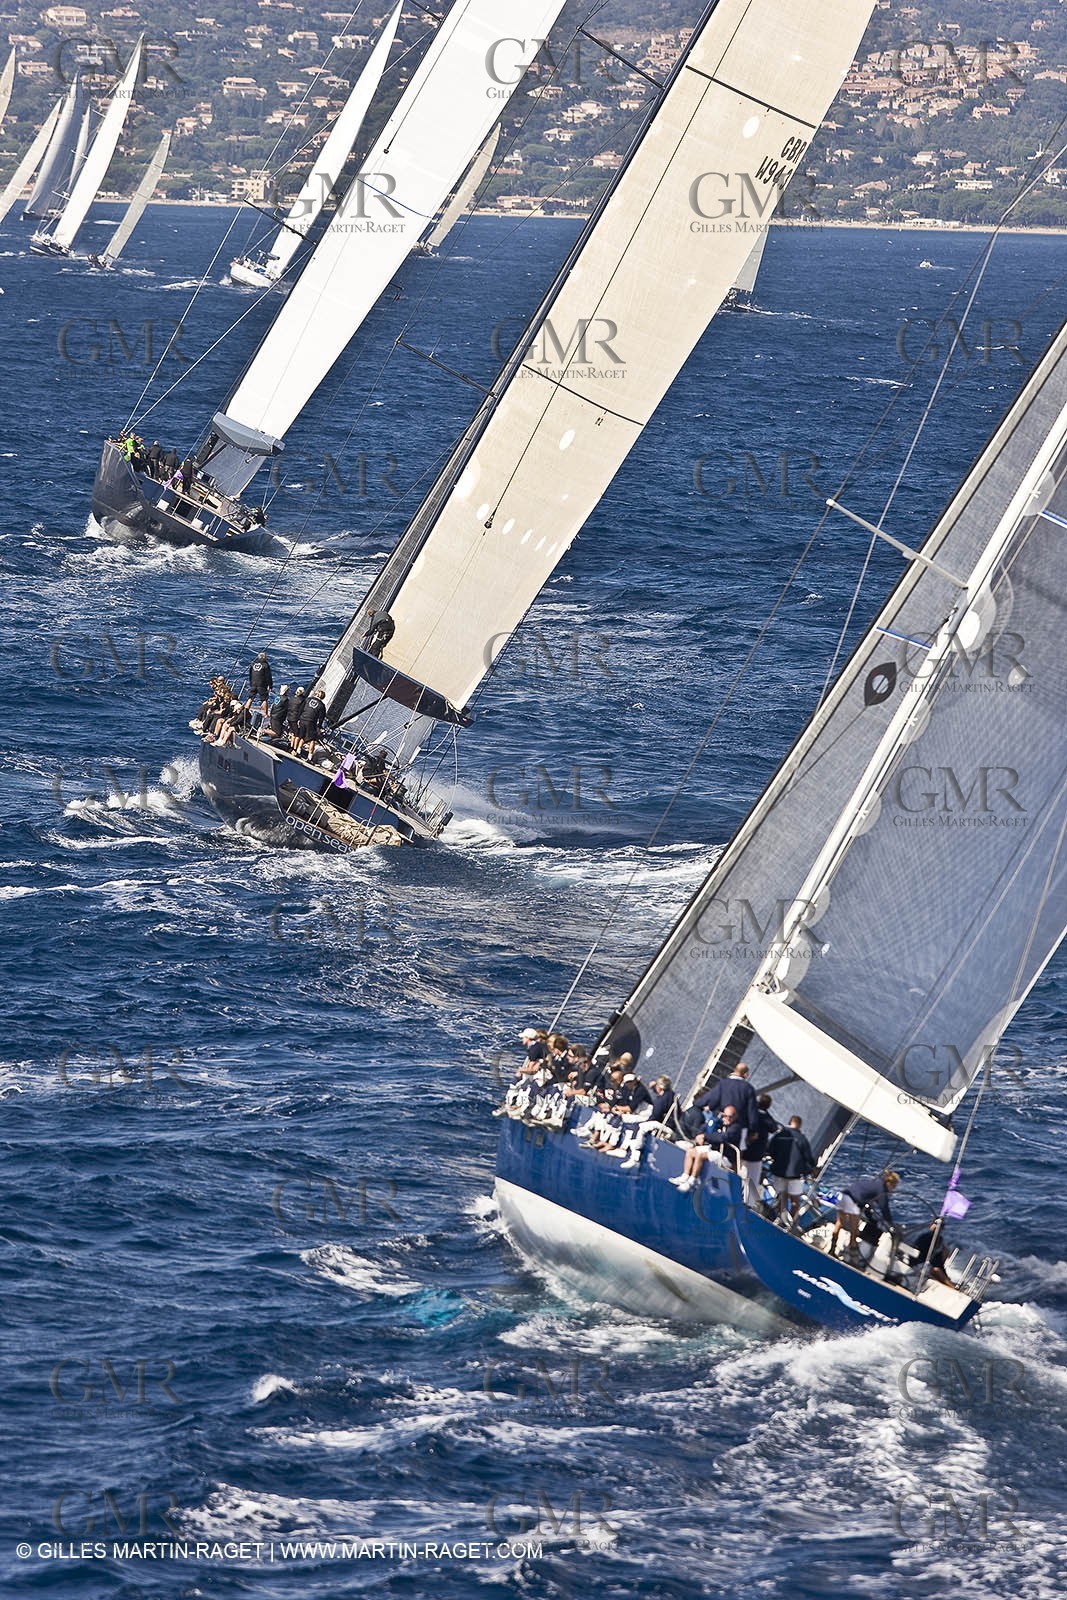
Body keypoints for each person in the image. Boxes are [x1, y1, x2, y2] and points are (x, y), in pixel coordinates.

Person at [670, 1105, 743, 1193]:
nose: (726, 1118)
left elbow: (723, 1137)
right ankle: (685, 1176)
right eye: (725, 1115)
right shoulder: (721, 1122)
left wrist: (706, 1137)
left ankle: (692, 1180)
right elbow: (707, 1127)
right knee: (691, 1152)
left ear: (734, 1117)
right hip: (714, 1149)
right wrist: (700, 1134)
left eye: (729, 1117)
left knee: (701, 1156)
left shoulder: (736, 1128)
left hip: (725, 1156)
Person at [831, 1169, 900, 1260]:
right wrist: (891, 1224)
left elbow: (863, 1199)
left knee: (839, 1223)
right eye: (893, 1187)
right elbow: (884, 1209)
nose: (892, 1190)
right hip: (852, 1201)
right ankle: (853, 1259)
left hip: (844, 1196)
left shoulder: (874, 1183)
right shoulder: (881, 1190)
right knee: (854, 1231)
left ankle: (832, 1249)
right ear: (889, 1183)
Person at [768, 1115, 817, 1223]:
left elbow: (770, 1150)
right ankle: (792, 1223)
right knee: (795, 1201)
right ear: (799, 1125)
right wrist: (813, 1168)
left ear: (789, 1122)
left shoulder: (778, 1136)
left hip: (779, 1172)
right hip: (795, 1175)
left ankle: (777, 1218)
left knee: (781, 1197)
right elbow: (808, 1157)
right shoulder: (801, 1138)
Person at [692, 1062, 759, 1142]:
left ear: (735, 1070)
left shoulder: (723, 1083)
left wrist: (697, 1103)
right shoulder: (748, 1089)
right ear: (745, 1074)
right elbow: (752, 1111)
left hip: (720, 1120)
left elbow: (712, 1099)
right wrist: (753, 1129)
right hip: (737, 1125)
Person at [743, 1093, 779, 1210]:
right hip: (756, 1154)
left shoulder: (750, 1113)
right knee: (753, 1178)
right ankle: (749, 1203)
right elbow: (774, 1128)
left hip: (743, 1149)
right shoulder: (766, 1118)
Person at [297, 685, 327, 760]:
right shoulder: (322, 706)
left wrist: (298, 719)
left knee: (302, 737)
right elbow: (321, 718)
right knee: (312, 739)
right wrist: (319, 727)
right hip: (311, 722)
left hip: (303, 719)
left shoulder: (308, 699)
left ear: (316, 694)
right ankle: (309, 757)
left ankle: (298, 751)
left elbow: (301, 709)